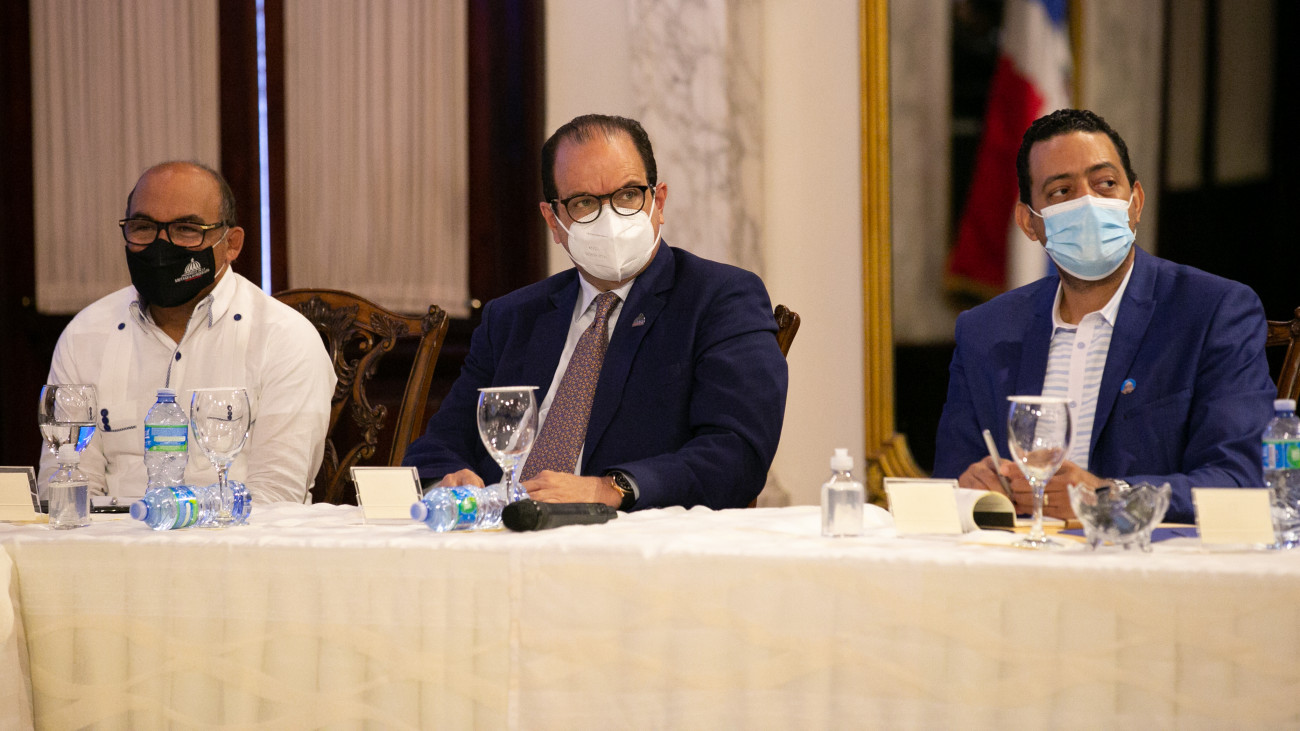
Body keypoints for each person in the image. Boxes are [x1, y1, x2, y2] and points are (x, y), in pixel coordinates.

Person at [403, 114, 787, 511]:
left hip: (626, 535)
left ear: (658, 203)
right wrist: (450, 478)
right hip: (496, 529)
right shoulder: (512, 317)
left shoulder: (720, 299)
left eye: (628, 195)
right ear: (554, 222)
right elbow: (434, 450)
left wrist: (608, 490)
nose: (610, 217)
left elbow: (736, 454)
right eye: (584, 203)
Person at [933, 109, 1275, 524]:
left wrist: (1110, 499)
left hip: (1148, 559)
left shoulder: (1212, 311)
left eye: (1105, 184)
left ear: (1136, 202)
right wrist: (970, 487)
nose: (1088, 203)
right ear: (1029, 223)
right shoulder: (985, 330)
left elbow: (1240, 481)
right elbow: (949, 482)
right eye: (1061, 191)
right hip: (1020, 555)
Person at [39, 161, 335, 504]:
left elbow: (275, 499)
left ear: (232, 243)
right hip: (111, 535)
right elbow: (64, 486)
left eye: (186, 229)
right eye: (143, 227)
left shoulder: (285, 339)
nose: (161, 245)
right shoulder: (85, 335)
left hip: (238, 536)